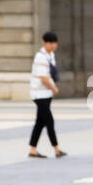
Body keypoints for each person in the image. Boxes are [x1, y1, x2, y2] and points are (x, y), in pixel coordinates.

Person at [28, 31, 66, 159]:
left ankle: (33, 149)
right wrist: (54, 88)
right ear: (45, 43)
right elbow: (43, 77)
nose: (53, 45)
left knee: (40, 122)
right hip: (39, 94)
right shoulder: (40, 57)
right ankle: (57, 149)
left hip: (46, 94)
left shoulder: (51, 56)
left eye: (55, 43)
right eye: (51, 43)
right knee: (49, 121)